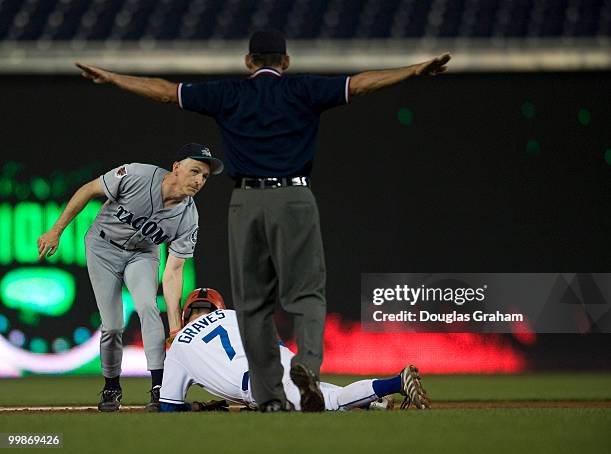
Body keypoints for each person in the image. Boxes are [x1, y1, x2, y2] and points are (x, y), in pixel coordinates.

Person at [74, 30, 450, 412]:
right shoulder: (303, 89)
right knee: (307, 293)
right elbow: (364, 83)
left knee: (252, 300)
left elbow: (164, 91)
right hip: (295, 195)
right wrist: (414, 69)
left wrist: (113, 77)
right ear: (285, 62)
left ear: (249, 62)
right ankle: (307, 365)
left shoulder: (230, 93)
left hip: (246, 200)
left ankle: (269, 394)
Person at [37, 143, 223, 412]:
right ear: (176, 167)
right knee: (112, 325)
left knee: (148, 307)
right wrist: (56, 230)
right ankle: (112, 386)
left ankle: (160, 386)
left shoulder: (188, 217)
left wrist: (174, 327)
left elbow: (173, 271)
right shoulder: (137, 175)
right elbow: (89, 189)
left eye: (204, 176)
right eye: (194, 171)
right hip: (102, 248)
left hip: (143, 254)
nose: (199, 180)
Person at [159, 288, 430, 412]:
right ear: (217, 307)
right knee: (324, 392)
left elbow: (168, 407)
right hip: (278, 359)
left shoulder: (178, 345)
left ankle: (398, 381)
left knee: (329, 404)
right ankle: (371, 402)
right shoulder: (231, 315)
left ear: (185, 315)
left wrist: (196, 407)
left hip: (256, 383)